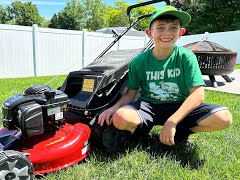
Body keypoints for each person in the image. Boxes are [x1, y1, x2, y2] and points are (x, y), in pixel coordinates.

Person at [98, 5, 232, 151]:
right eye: (160, 28)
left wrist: (172, 121)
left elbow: (198, 94)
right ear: (149, 33)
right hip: (149, 106)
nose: (167, 33)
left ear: (181, 32)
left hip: (179, 105)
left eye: (173, 28)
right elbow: (131, 93)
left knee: (224, 118)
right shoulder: (139, 62)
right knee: (120, 117)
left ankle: (181, 132)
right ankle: (142, 128)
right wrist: (114, 108)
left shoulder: (186, 57)